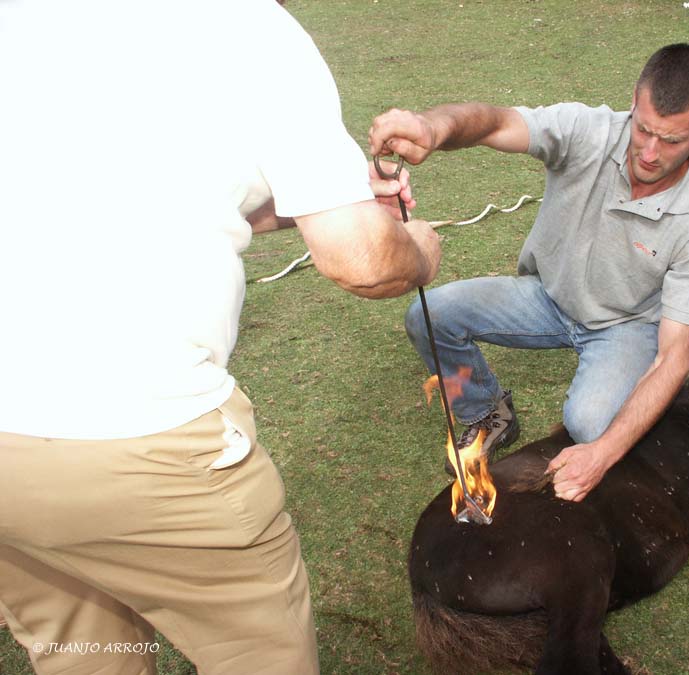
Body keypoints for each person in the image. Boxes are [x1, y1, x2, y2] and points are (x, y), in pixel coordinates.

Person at [0, 2, 440, 675]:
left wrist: (321, 199)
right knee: (258, 653)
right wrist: (419, 252)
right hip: (144, 436)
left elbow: (131, 190)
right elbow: (364, 259)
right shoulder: (250, 26)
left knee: (83, 650)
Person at [370, 43, 689, 502]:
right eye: (643, 129)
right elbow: (495, 122)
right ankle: (487, 412)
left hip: (624, 325)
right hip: (548, 297)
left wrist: (602, 453)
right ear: (633, 103)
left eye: (672, 140)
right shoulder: (589, 130)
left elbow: (675, 356)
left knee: (591, 425)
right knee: (429, 315)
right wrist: (432, 127)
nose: (650, 152)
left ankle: (625, 403)